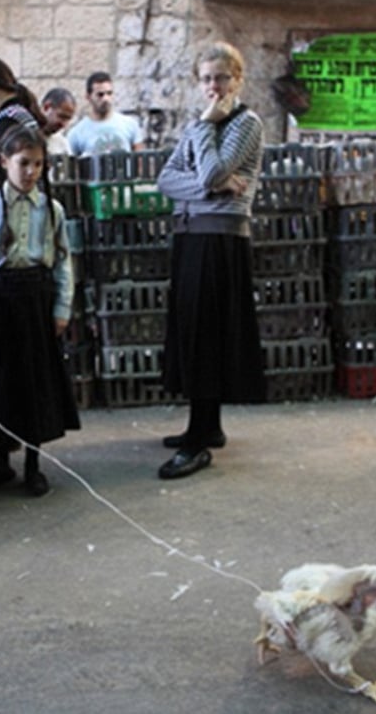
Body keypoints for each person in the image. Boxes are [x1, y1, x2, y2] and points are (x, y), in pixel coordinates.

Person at [155, 42, 266, 480]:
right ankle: (206, 426)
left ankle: (199, 442)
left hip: (219, 242)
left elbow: (212, 172)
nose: (213, 87)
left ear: (237, 79)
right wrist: (212, 184)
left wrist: (212, 175)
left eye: (222, 78)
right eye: (206, 79)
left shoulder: (247, 123)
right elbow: (166, 180)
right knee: (193, 333)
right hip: (191, 237)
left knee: (207, 335)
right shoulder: (199, 123)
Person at [0, 127, 79, 496]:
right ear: (3, 162)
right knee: (0, 381)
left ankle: (33, 462)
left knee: (35, 383)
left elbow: (62, 263)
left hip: (37, 301)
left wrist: (61, 308)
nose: (30, 172)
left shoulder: (52, 210)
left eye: (38, 164)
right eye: (23, 163)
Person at [66, 71, 145, 156]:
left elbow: (140, 161)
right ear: (88, 97)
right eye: (100, 95)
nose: (105, 99)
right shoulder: (77, 133)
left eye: (109, 93)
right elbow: (72, 165)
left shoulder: (130, 124)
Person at [41, 87, 76, 156]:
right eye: (61, 116)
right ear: (46, 107)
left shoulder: (62, 143)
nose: (63, 124)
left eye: (68, 119)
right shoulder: (25, 137)